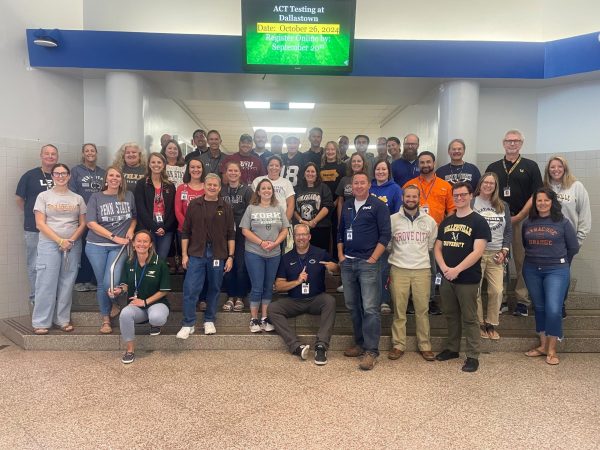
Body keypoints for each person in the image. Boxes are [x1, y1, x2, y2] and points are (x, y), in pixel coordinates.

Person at [434, 182, 491, 373]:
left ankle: (473, 355)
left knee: (469, 317)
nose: (459, 198)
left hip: (467, 278)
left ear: (470, 195)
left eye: (463, 195)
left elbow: (478, 251)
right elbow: (438, 247)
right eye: (456, 195)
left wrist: (456, 269)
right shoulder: (447, 221)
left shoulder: (478, 221)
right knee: (450, 315)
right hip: (446, 277)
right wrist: (443, 268)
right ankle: (452, 349)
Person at [485, 130, 543, 317]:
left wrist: (519, 216)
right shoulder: (493, 167)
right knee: (497, 260)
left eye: (516, 141)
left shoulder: (530, 166)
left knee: (521, 260)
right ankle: (499, 300)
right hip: (497, 220)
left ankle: (522, 301)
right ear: (503, 143)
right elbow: (486, 193)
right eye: (509, 141)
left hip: (522, 220)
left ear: (521, 144)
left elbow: (536, 195)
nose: (512, 144)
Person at [338, 172, 392, 370]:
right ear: (351, 185)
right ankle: (360, 344)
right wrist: (341, 255)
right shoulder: (348, 204)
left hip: (368, 263)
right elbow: (340, 231)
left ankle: (371, 351)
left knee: (370, 308)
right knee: (353, 305)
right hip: (348, 263)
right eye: (355, 183)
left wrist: (373, 258)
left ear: (369, 184)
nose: (359, 186)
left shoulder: (378, 205)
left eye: (362, 182)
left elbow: (385, 235)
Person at [522, 188, 579, 365]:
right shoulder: (528, 222)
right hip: (531, 269)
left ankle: (553, 350)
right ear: (535, 202)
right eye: (539, 200)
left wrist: (561, 263)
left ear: (552, 202)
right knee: (539, 307)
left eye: (546, 200)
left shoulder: (562, 222)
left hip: (556, 270)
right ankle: (543, 345)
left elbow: (574, 247)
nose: (542, 203)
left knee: (553, 309)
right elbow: (526, 244)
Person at [176, 173, 235, 338]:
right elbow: (186, 231)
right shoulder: (194, 205)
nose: (212, 187)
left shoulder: (226, 207)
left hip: (218, 254)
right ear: (205, 186)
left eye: (215, 185)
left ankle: (209, 320)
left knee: (215, 287)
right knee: (190, 288)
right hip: (196, 253)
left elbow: (231, 234)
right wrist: (184, 255)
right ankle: (188, 323)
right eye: (209, 184)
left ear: (219, 188)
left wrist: (230, 256)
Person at [270, 224, 338, 365]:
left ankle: (321, 346)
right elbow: (279, 286)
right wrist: (297, 281)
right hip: (294, 300)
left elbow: (336, 267)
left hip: (316, 299)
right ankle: (296, 346)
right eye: (298, 235)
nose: (301, 238)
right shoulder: (286, 258)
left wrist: (333, 267)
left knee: (330, 301)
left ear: (309, 236)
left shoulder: (320, 253)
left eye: (304, 234)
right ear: (294, 238)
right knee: (272, 309)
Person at [31, 163, 86, 334]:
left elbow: (83, 223)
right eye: (57, 173)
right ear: (52, 176)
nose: (60, 176)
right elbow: (40, 223)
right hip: (49, 243)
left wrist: (70, 240)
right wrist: (60, 241)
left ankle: (62, 320)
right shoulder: (43, 196)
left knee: (67, 282)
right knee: (46, 282)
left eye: (64, 173)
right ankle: (41, 322)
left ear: (69, 176)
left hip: (72, 244)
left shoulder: (77, 198)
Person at [387, 184, 437, 361]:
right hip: (399, 269)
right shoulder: (392, 220)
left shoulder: (429, 221)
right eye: (407, 196)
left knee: (422, 310)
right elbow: (388, 244)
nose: (411, 200)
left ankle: (425, 345)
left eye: (414, 197)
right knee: (399, 311)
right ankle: (398, 345)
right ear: (402, 198)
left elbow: (430, 246)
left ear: (419, 198)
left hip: (422, 270)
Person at [86, 166, 137, 334]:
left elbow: (134, 217)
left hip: (119, 247)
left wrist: (130, 230)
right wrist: (114, 237)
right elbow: (91, 223)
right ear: (106, 179)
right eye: (111, 176)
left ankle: (114, 302)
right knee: (102, 283)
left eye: (118, 176)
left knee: (110, 282)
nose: (114, 178)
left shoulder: (128, 196)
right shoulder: (96, 197)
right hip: (96, 246)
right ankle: (106, 319)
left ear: (121, 180)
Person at [109, 230, 171, 364]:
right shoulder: (129, 262)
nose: (141, 244)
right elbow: (125, 285)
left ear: (150, 245)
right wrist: (118, 290)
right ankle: (130, 350)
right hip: (137, 305)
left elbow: (164, 290)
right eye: (138, 241)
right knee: (125, 313)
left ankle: (155, 324)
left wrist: (145, 301)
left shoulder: (159, 263)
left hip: (157, 303)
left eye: (145, 241)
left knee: (157, 317)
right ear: (133, 244)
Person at [405, 151, 455, 315]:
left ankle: (430, 300)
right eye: (422, 162)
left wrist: (444, 230)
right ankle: (412, 300)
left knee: (432, 269)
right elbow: (403, 207)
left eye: (428, 162)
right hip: (413, 234)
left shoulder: (445, 185)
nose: (425, 165)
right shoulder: (410, 185)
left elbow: (452, 210)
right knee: (413, 267)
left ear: (434, 163)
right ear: (418, 165)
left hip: (436, 235)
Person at [544, 155, 591, 317]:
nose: (556, 170)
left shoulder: (576, 186)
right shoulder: (545, 187)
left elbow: (585, 215)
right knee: (545, 273)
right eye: (552, 167)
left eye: (559, 166)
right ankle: (547, 305)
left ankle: (560, 304)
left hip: (566, 242)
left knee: (562, 275)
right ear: (548, 170)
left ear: (565, 168)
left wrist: (578, 240)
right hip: (545, 241)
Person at [240, 178, 290, 332]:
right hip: (254, 252)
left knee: (269, 286)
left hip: (274, 253)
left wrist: (275, 243)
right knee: (257, 286)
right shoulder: (251, 208)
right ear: (259, 191)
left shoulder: (279, 208)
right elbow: (245, 230)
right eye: (264, 188)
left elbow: (285, 229)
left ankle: (264, 318)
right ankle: (254, 319)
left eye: (269, 188)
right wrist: (261, 242)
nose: (267, 190)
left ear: (272, 191)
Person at [16, 144, 59, 306]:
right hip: (34, 230)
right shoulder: (30, 176)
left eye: (53, 154)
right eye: (47, 154)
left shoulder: (60, 176)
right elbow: (20, 200)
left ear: (57, 157)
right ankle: (35, 300)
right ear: (41, 156)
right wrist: (33, 216)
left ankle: (52, 301)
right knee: (35, 265)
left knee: (54, 267)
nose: (50, 156)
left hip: (56, 231)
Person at [472, 173, 512, 339]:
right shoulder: (471, 202)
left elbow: (508, 230)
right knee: (476, 290)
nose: (488, 185)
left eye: (492, 183)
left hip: (497, 254)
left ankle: (491, 324)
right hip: (476, 253)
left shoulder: (503, 205)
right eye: (485, 182)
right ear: (480, 184)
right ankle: (480, 323)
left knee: (496, 290)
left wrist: (504, 251)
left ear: (495, 187)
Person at [69, 143, 106, 292]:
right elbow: (72, 194)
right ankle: (82, 279)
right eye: (87, 151)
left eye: (92, 150)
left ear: (96, 153)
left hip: (99, 219)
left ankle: (94, 280)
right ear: (83, 154)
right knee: (83, 249)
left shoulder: (103, 172)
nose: (90, 153)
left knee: (96, 249)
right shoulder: (76, 171)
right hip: (82, 217)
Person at [370, 159, 403, 314]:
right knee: (368, 269)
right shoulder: (369, 186)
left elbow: (398, 213)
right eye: (378, 169)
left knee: (383, 269)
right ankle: (369, 300)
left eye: (384, 169)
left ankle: (384, 300)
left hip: (385, 236)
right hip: (368, 236)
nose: (380, 172)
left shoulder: (395, 189)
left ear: (388, 171)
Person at [221, 161, 253, 312]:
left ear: (240, 173)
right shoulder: (222, 190)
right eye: (230, 170)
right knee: (227, 266)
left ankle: (240, 296)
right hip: (224, 234)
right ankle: (230, 296)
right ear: (226, 173)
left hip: (241, 234)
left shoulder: (247, 191)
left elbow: (251, 212)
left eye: (236, 171)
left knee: (240, 266)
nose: (233, 173)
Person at [134, 152, 176, 260]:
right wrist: (154, 227)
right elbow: (141, 208)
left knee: (161, 259)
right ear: (149, 164)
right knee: (149, 259)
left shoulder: (170, 186)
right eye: (153, 162)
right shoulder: (142, 184)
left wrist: (164, 227)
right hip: (147, 228)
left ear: (163, 165)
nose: (156, 165)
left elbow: (172, 210)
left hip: (166, 229)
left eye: (159, 162)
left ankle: (159, 277)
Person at [294, 162, 334, 252]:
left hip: (320, 228)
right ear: (304, 173)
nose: (310, 173)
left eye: (313, 171)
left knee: (320, 255)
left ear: (317, 174)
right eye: (308, 171)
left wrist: (314, 221)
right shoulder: (298, 189)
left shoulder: (323, 187)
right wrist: (301, 221)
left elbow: (327, 206)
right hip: (302, 230)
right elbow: (294, 209)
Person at [320, 140, 346, 258]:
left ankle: (336, 258)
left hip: (337, 204)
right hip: (322, 205)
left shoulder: (342, 166)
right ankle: (323, 257)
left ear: (337, 151)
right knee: (324, 232)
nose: (330, 152)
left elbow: (343, 187)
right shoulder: (321, 166)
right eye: (328, 149)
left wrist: (335, 203)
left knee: (336, 231)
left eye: (332, 149)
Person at [252, 155, 295, 222]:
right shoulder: (258, 181)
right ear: (267, 167)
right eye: (271, 165)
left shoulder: (286, 183)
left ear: (281, 168)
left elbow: (291, 205)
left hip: (281, 220)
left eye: (277, 165)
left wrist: (285, 223)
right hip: (262, 220)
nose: (274, 167)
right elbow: (253, 202)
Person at [335, 152, 369, 222]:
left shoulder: (369, 180)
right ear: (350, 164)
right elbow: (340, 202)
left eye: (359, 161)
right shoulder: (344, 180)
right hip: (347, 216)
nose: (356, 163)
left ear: (363, 163)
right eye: (353, 161)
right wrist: (340, 220)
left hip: (365, 217)